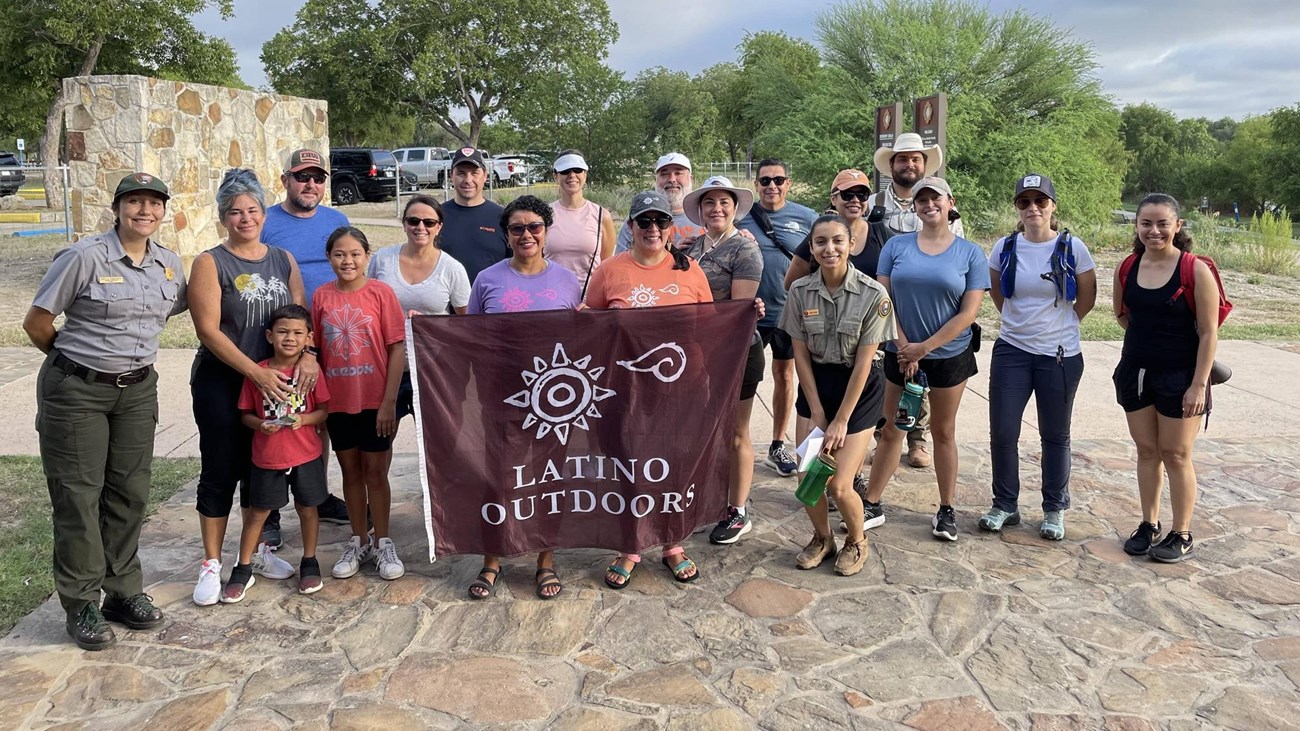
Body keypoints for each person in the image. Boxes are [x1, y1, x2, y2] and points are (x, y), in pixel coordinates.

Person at [25, 172, 188, 650]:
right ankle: (82, 605)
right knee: (79, 496)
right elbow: (36, 323)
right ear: (117, 208)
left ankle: (122, 592)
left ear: (163, 211)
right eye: (134, 202)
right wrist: (75, 365)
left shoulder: (169, 265)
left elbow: (163, 314)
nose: (145, 211)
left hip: (137, 391)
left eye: (154, 204)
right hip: (78, 390)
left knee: (130, 492)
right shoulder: (84, 257)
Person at [189, 168, 305, 607]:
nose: (245, 218)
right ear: (223, 217)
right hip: (224, 379)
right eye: (235, 211)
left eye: (253, 209)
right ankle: (211, 564)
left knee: (265, 466)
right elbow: (208, 331)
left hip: (272, 382)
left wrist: (306, 356)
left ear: (263, 213)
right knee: (221, 469)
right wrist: (254, 373)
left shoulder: (282, 259)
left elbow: (299, 314)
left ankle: (253, 554)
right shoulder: (210, 262)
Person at [587, 191, 713, 587]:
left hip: (682, 387)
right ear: (631, 227)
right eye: (645, 221)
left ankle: (672, 542)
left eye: (660, 221)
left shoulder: (689, 269)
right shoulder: (610, 270)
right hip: (626, 389)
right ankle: (631, 544)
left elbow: (711, 324)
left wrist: (746, 316)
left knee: (674, 464)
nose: (653, 229)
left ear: (670, 227)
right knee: (630, 464)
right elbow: (592, 318)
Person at [465, 195, 582, 600]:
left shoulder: (568, 281)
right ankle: (492, 558)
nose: (527, 234)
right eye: (518, 228)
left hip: (555, 402)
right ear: (506, 235)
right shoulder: (487, 280)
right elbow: (469, 337)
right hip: (500, 395)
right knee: (498, 476)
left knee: (549, 477)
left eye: (535, 227)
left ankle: (545, 561)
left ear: (547, 231)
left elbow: (581, 340)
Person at [860, 177, 988, 542]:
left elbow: (968, 313)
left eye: (936, 198)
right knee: (891, 429)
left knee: (943, 431)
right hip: (901, 354)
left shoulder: (970, 253)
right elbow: (884, 300)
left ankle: (946, 508)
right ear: (913, 206)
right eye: (922, 199)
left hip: (948, 354)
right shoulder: (896, 247)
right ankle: (872, 501)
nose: (929, 204)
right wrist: (904, 347)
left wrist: (924, 348)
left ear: (950, 202)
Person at [980, 174, 1097, 540]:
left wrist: (1058, 327)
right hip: (1013, 350)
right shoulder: (1004, 246)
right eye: (1024, 202)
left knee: (1055, 435)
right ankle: (1005, 504)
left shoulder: (1072, 247)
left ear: (1052, 206)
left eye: (1040, 201)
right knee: (1002, 431)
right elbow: (998, 295)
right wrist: (1022, 325)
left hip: (1059, 356)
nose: (1033, 208)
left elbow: (1088, 297)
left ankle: (1054, 508)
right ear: (1017, 207)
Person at [781, 214, 896, 575]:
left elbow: (864, 363)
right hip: (817, 386)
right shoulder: (800, 292)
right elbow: (799, 353)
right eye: (820, 242)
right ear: (811, 249)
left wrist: (841, 420)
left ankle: (857, 541)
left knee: (842, 486)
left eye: (837, 241)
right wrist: (816, 411)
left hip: (858, 393)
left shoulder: (873, 294)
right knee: (808, 478)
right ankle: (823, 538)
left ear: (850, 246)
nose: (829, 249)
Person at [1113, 193, 1219, 563]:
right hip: (1137, 372)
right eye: (1146, 223)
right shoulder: (1127, 266)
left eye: (1162, 223)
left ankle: (1182, 532)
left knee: (1176, 454)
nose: (1153, 230)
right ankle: (1149, 523)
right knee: (1147, 451)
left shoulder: (1195, 270)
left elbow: (1208, 332)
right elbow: (1123, 315)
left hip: (1182, 377)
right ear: (1137, 226)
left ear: (1178, 226)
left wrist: (1198, 385)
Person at [261, 148, 352, 536]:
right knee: (274, 417)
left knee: (318, 417)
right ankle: (268, 510)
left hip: (332, 336)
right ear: (285, 181)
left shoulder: (336, 219)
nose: (311, 184)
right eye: (302, 177)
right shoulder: (265, 221)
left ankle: (317, 494)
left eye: (318, 178)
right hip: (284, 338)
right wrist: (302, 348)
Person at [313, 226, 407, 581]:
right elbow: (318, 352)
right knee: (350, 472)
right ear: (329, 258)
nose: (347, 260)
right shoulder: (322, 296)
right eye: (339, 254)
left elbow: (396, 347)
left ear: (367, 256)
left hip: (374, 401)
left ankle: (383, 541)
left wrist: (388, 403)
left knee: (375, 473)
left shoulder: (381, 293)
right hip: (338, 403)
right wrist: (320, 404)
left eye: (354, 253)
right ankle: (360, 538)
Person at [868, 133, 967, 468]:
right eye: (902, 159)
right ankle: (884, 436)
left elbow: (959, 259)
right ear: (891, 165)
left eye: (915, 159)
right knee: (883, 375)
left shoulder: (943, 207)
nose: (909, 164)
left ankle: (918, 439)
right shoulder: (873, 203)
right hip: (880, 306)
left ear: (924, 165)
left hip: (929, 310)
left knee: (922, 378)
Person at [679, 176, 764, 546]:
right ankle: (710, 502)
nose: (716, 208)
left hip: (737, 352)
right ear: (700, 209)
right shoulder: (690, 249)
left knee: (736, 432)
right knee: (705, 432)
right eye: (709, 202)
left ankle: (738, 510)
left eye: (724, 202)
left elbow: (736, 311)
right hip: (698, 355)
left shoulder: (745, 250)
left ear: (734, 208)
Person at [226, 305, 332, 601]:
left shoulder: (311, 373)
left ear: (309, 338)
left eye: (298, 333)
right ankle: (243, 566)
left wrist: (304, 420)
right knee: (259, 512)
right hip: (267, 457)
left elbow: (323, 410)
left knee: (308, 509)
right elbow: (245, 413)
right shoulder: (258, 373)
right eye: (283, 332)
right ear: (270, 336)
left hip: (306, 454)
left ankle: (309, 561)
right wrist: (260, 425)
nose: (290, 338)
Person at [737, 158, 818, 480]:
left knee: (785, 376)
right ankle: (734, 441)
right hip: (750, 314)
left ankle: (776, 444)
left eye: (779, 180)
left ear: (789, 183)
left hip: (791, 314)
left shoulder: (807, 217)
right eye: (765, 181)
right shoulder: (743, 217)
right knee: (742, 382)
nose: (772, 186)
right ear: (756, 185)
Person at [368, 195, 470, 424]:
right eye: (413, 221)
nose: (420, 227)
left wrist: (431, 325)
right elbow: (368, 306)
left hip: (433, 369)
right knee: (380, 442)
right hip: (386, 368)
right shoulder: (383, 259)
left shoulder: (452, 268)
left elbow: (466, 324)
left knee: (437, 444)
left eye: (429, 222)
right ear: (404, 224)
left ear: (439, 227)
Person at [546, 150, 617, 289]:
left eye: (577, 170)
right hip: (552, 298)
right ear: (556, 176)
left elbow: (606, 265)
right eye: (565, 171)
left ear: (585, 174)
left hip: (590, 300)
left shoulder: (602, 216)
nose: (572, 175)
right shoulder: (544, 215)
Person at [440, 147, 509, 283]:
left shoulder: (503, 217)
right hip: (446, 302)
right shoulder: (436, 216)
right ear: (451, 176)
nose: (468, 180)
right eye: (461, 173)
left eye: (474, 173)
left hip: (491, 300)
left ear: (485, 176)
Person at [613, 153, 706, 253]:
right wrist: (669, 253)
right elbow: (623, 264)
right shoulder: (639, 221)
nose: (672, 179)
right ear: (656, 180)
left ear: (690, 178)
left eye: (678, 173)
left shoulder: (706, 218)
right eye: (664, 174)